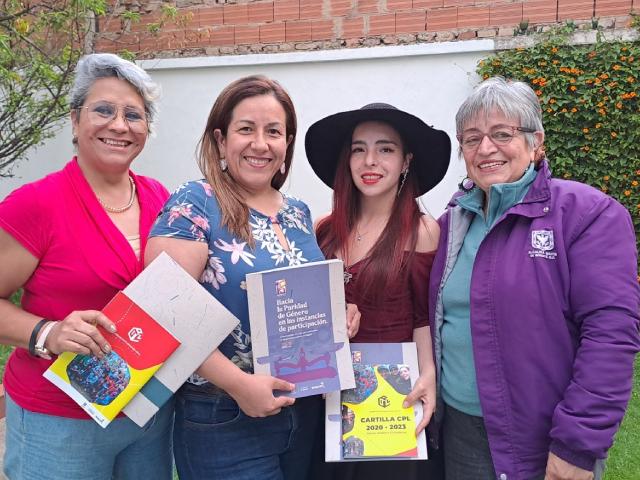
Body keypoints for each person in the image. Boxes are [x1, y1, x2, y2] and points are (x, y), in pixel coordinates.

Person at [145, 75, 360, 480]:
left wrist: (335, 313)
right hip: (223, 414)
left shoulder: (296, 211)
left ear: (286, 145)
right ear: (221, 139)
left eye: (273, 132)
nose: (260, 144)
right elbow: (158, 309)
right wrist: (239, 386)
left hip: (301, 410)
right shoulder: (196, 202)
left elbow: (295, 296)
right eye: (247, 129)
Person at [429, 76, 640, 480]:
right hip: (459, 432)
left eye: (502, 133)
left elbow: (611, 335)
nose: (485, 148)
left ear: (536, 142)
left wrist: (577, 445)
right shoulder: (454, 223)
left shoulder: (586, 214)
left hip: (539, 438)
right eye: (471, 139)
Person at [0, 53, 172, 479]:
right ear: (76, 122)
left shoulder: (160, 199)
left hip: (145, 414)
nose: (119, 125)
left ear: (146, 130)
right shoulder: (36, 205)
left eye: (133, 114)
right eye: (104, 110)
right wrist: (48, 332)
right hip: (58, 421)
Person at [305, 103, 451, 479]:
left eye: (385, 149)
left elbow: (424, 316)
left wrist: (428, 375)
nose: (370, 161)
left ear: (406, 162)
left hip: (390, 398)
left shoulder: (420, 231)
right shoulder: (324, 230)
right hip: (328, 396)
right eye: (358, 149)